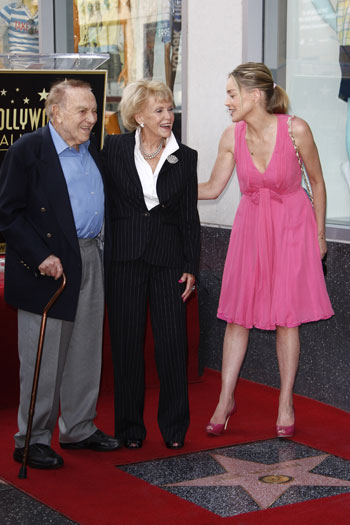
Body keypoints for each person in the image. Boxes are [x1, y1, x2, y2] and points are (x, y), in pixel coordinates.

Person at [198, 62, 334, 439]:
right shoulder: (231, 136)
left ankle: (285, 401)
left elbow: (318, 183)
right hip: (250, 230)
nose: (226, 101)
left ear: (254, 96)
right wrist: (162, 184)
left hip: (292, 228)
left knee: (286, 317)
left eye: (231, 94)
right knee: (237, 315)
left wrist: (320, 235)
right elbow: (210, 188)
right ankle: (226, 399)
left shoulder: (296, 129)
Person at [0, 78, 122, 471]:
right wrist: (40, 256)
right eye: (82, 111)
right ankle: (31, 440)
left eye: (92, 110)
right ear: (56, 112)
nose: (91, 119)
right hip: (46, 268)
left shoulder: (92, 150)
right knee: (43, 359)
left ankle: (79, 428)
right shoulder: (27, 151)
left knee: (85, 349)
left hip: (90, 257)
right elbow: (9, 214)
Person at [103, 79, 200, 450]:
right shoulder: (112, 149)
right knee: (127, 347)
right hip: (124, 260)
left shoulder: (184, 156)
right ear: (138, 116)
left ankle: (174, 430)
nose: (167, 116)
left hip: (169, 262)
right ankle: (129, 430)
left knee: (172, 347)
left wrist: (191, 264)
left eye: (170, 109)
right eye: (159, 110)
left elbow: (189, 217)